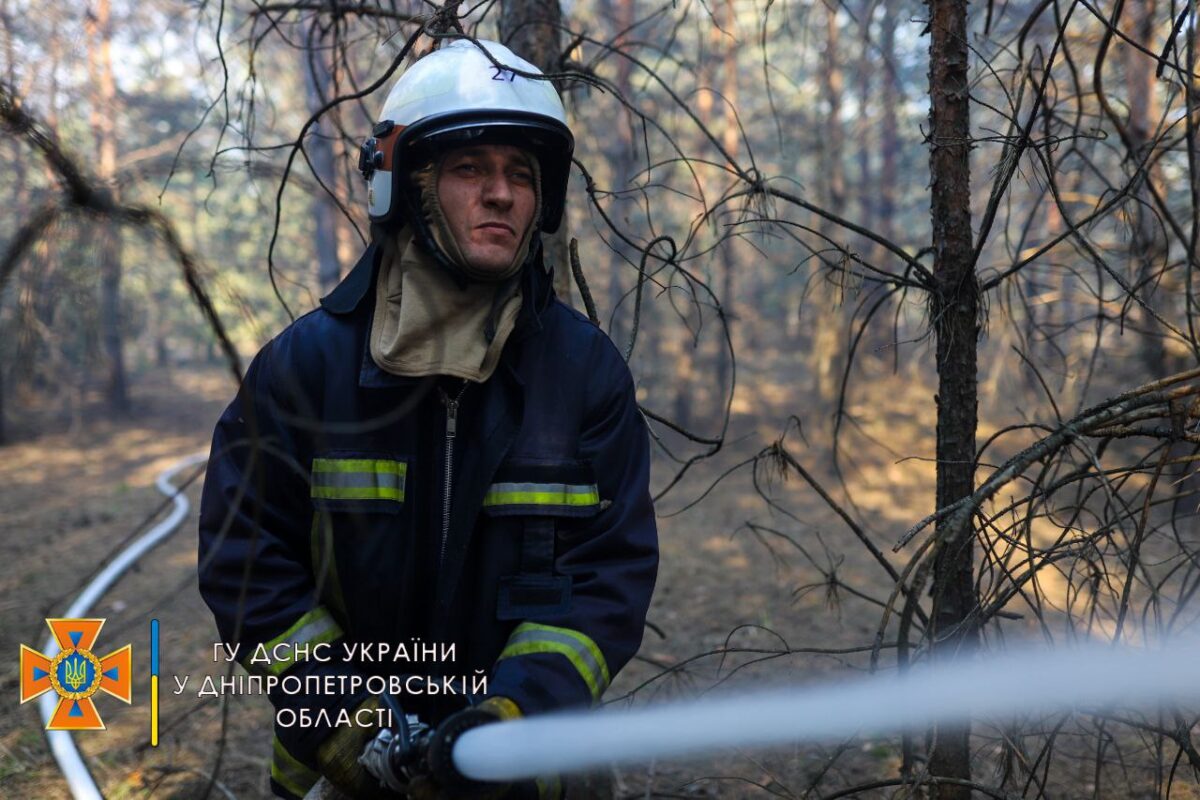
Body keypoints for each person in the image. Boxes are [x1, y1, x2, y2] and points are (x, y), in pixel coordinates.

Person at [197, 38, 658, 799]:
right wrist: (345, 721)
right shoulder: (303, 371)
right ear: (404, 186)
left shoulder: (583, 375)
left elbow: (606, 577)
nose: (502, 194)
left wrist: (514, 714)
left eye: (521, 174)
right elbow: (247, 566)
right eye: (470, 169)